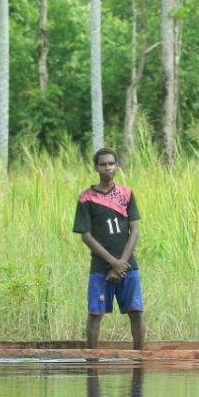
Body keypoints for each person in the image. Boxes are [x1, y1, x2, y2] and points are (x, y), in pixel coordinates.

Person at [73, 148, 145, 350]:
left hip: (128, 266)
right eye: (103, 164)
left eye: (111, 164)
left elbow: (135, 231)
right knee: (95, 314)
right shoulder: (86, 198)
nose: (107, 168)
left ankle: (139, 360)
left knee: (136, 312)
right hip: (100, 267)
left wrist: (122, 262)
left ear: (117, 166)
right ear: (96, 167)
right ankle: (92, 360)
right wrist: (113, 263)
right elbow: (86, 235)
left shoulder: (126, 194)